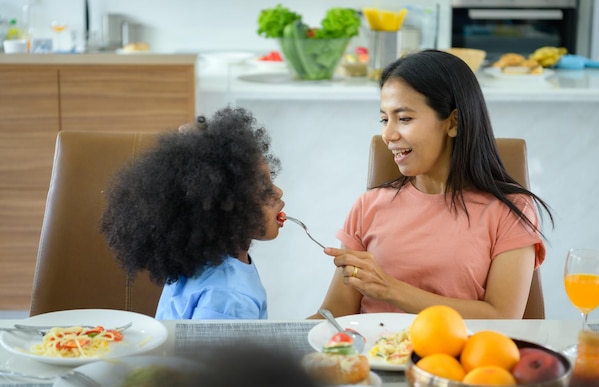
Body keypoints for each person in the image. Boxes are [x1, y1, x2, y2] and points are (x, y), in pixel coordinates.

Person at [311, 50, 554, 320]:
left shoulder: (510, 211)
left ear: (453, 122)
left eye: (404, 118)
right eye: (384, 119)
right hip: (372, 358)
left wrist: (391, 289)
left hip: (461, 360)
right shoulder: (368, 206)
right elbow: (335, 315)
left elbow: (503, 317)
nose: (388, 134)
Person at [100, 106, 285, 319]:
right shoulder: (228, 296)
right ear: (223, 209)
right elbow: (225, 354)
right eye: (263, 188)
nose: (278, 192)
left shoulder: (207, 262)